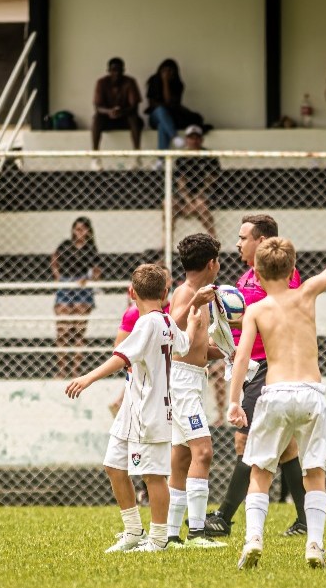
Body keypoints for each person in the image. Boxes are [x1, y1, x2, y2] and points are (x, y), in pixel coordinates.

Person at [229, 202, 326, 569]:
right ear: (292, 269)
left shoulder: (255, 310)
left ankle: (254, 538)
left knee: (260, 471)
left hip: (274, 394)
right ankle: (315, 544)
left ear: (256, 269)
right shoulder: (306, 294)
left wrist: (234, 401)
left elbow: (242, 359)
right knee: (314, 471)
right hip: (311, 394)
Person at [66, 263, 200, 553]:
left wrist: (88, 377)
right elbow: (185, 344)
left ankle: (159, 538)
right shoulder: (165, 321)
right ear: (166, 293)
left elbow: (122, 356)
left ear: (131, 293)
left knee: (153, 476)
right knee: (114, 466)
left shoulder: (148, 323)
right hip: (133, 406)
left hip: (148, 410)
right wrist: (194, 318)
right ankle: (133, 530)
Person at [205, 215, 309, 538]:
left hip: (271, 367)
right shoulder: (244, 278)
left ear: (262, 241)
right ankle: (305, 520)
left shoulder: (285, 277)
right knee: (287, 447)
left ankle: (223, 517)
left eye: (243, 237)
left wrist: (232, 318)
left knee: (247, 440)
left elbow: (268, 316)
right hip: (252, 366)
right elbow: (241, 320)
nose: (237, 243)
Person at [164, 234, 226, 548]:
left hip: (191, 379)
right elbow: (167, 328)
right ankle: (198, 533)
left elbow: (198, 347)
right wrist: (194, 303)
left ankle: (172, 535)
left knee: (182, 457)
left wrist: (232, 352)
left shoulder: (200, 296)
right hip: (183, 383)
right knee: (203, 452)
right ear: (212, 263)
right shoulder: (186, 293)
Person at [51, 217, 102, 378]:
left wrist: (88, 280)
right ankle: (62, 369)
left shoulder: (91, 249)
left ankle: (75, 370)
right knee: (63, 330)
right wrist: (58, 277)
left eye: (83, 228)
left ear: (88, 231)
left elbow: (97, 270)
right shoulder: (66, 245)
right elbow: (54, 259)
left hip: (82, 287)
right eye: (77, 228)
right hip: (66, 285)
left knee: (79, 331)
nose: (79, 232)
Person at [145, 59, 205, 152]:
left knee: (162, 125)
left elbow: (170, 103)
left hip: (170, 119)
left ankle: (160, 161)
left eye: (170, 71)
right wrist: (164, 81)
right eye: (165, 71)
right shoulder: (154, 81)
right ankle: (174, 136)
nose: (167, 73)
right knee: (161, 110)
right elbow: (152, 104)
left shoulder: (178, 84)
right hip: (155, 118)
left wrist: (166, 83)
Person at [91, 57, 143, 160]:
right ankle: (95, 156)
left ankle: (137, 156)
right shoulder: (101, 82)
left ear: (123, 71)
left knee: (134, 118)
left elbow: (134, 106)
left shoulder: (130, 82)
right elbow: (98, 107)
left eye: (119, 70)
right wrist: (109, 112)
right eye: (114, 70)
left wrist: (121, 112)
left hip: (125, 118)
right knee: (96, 119)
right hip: (107, 119)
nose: (117, 73)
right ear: (108, 71)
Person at [173, 125, 221, 237]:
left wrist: (196, 199)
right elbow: (181, 182)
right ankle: (166, 244)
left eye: (196, 137)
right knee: (168, 203)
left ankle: (214, 241)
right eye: (191, 137)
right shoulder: (181, 158)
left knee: (201, 203)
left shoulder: (209, 156)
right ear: (186, 140)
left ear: (201, 139)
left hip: (205, 193)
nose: (194, 141)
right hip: (184, 196)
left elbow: (210, 180)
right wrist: (189, 200)